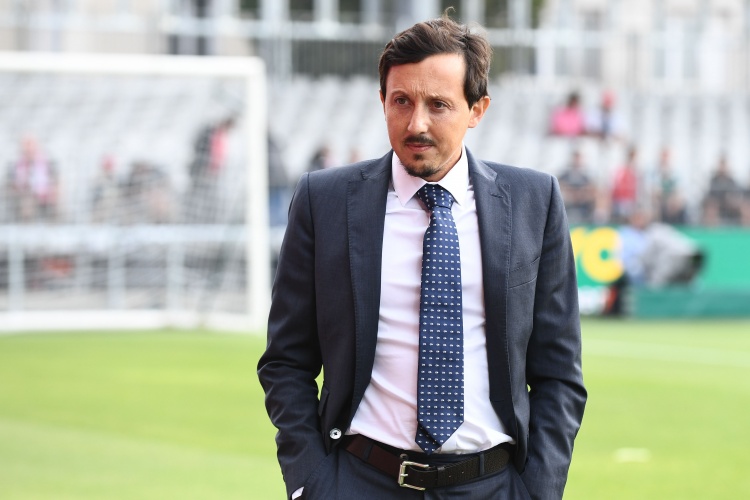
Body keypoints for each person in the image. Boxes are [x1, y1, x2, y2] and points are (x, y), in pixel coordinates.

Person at [258, 14, 586, 500]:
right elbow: (286, 361)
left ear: (477, 109)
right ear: (382, 101)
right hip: (359, 482)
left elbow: (559, 371)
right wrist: (312, 483)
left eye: (439, 104)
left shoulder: (533, 202)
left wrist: (539, 490)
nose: (417, 124)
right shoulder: (323, 201)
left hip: (493, 486)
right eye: (402, 101)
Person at [557, 149, 596, 225]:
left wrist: (581, 195)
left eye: (578, 159)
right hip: (566, 205)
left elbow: (591, 191)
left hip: (583, 206)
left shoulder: (586, 178)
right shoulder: (564, 176)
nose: (577, 161)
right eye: (575, 159)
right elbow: (559, 187)